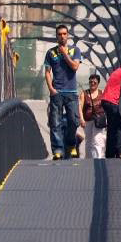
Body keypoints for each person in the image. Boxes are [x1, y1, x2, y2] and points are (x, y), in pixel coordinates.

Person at [43, 24, 82, 160]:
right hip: (57, 92)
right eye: (59, 34)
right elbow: (47, 72)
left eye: (64, 34)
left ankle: (71, 144)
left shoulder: (75, 50)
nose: (62, 36)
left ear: (68, 35)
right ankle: (58, 150)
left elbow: (75, 66)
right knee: (55, 122)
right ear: (56, 36)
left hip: (71, 92)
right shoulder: (50, 53)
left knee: (73, 121)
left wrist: (64, 54)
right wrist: (51, 89)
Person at [100, 56, 121, 158]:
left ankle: (110, 153)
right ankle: (120, 150)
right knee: (120, 125)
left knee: (112, 128)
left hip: (105, 101)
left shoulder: (118, 71)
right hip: (111, 102)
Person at [80, 73, 106, 159]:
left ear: (98, 83)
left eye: (94, 82)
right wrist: (81, 119)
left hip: (98, 121)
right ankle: (88, 158)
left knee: (97, 140)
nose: (92, 84)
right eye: (91, 82)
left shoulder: (102, 93)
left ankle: (97, 158)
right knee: (89, 140)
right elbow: (80, 107)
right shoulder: (84, 93)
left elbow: (106, 106)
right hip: (88, 120)